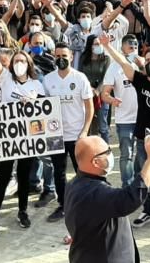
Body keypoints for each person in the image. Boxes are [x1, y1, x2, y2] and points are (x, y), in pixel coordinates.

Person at [101, 35, 150, 232]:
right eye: (148, 59)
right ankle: (147, 211)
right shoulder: (139, 79)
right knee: (145, 176)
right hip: (144, 137)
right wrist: (108, 46)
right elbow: (122, 61)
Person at [0, 41, 46, 240]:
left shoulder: (36, 85)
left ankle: (22, 211)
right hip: (8, 138)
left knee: (24, 177)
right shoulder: (6, 79)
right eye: (16, 61)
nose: (19, 64)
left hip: (27, 138)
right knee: (2, 178)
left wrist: (34, 102)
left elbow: (44, 112)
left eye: (22, 61)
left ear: (29, 64)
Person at [65, 133, 150, 263]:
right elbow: (132, 197)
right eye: (107, 152)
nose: (111, 154)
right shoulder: (96, 192)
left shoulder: (73, 184)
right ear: (95, 162)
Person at [41, 43, 94, 222]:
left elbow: (90, 107)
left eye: (64, 56)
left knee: (82, 171)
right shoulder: (48, 80)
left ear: (71, 56)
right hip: (56, 134)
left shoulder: (80, 78)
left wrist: (85, 131)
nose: (61, 59)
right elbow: (42, 106)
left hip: (77, 134)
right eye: (57, 56)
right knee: (59, 172)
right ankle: (64, 205)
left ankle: (85, 203)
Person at [100, 34, 140, 187]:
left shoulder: (142, 63)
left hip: (143, 118)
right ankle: (127, 186)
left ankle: (141, 182)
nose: (133, 48)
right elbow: (104, 93)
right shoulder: (114, 67)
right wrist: (112, 100)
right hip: (125, 119)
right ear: (122, 48)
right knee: (126, 154)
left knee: (143, 154)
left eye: (135, 45)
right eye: (130, 45)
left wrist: (143, 65)